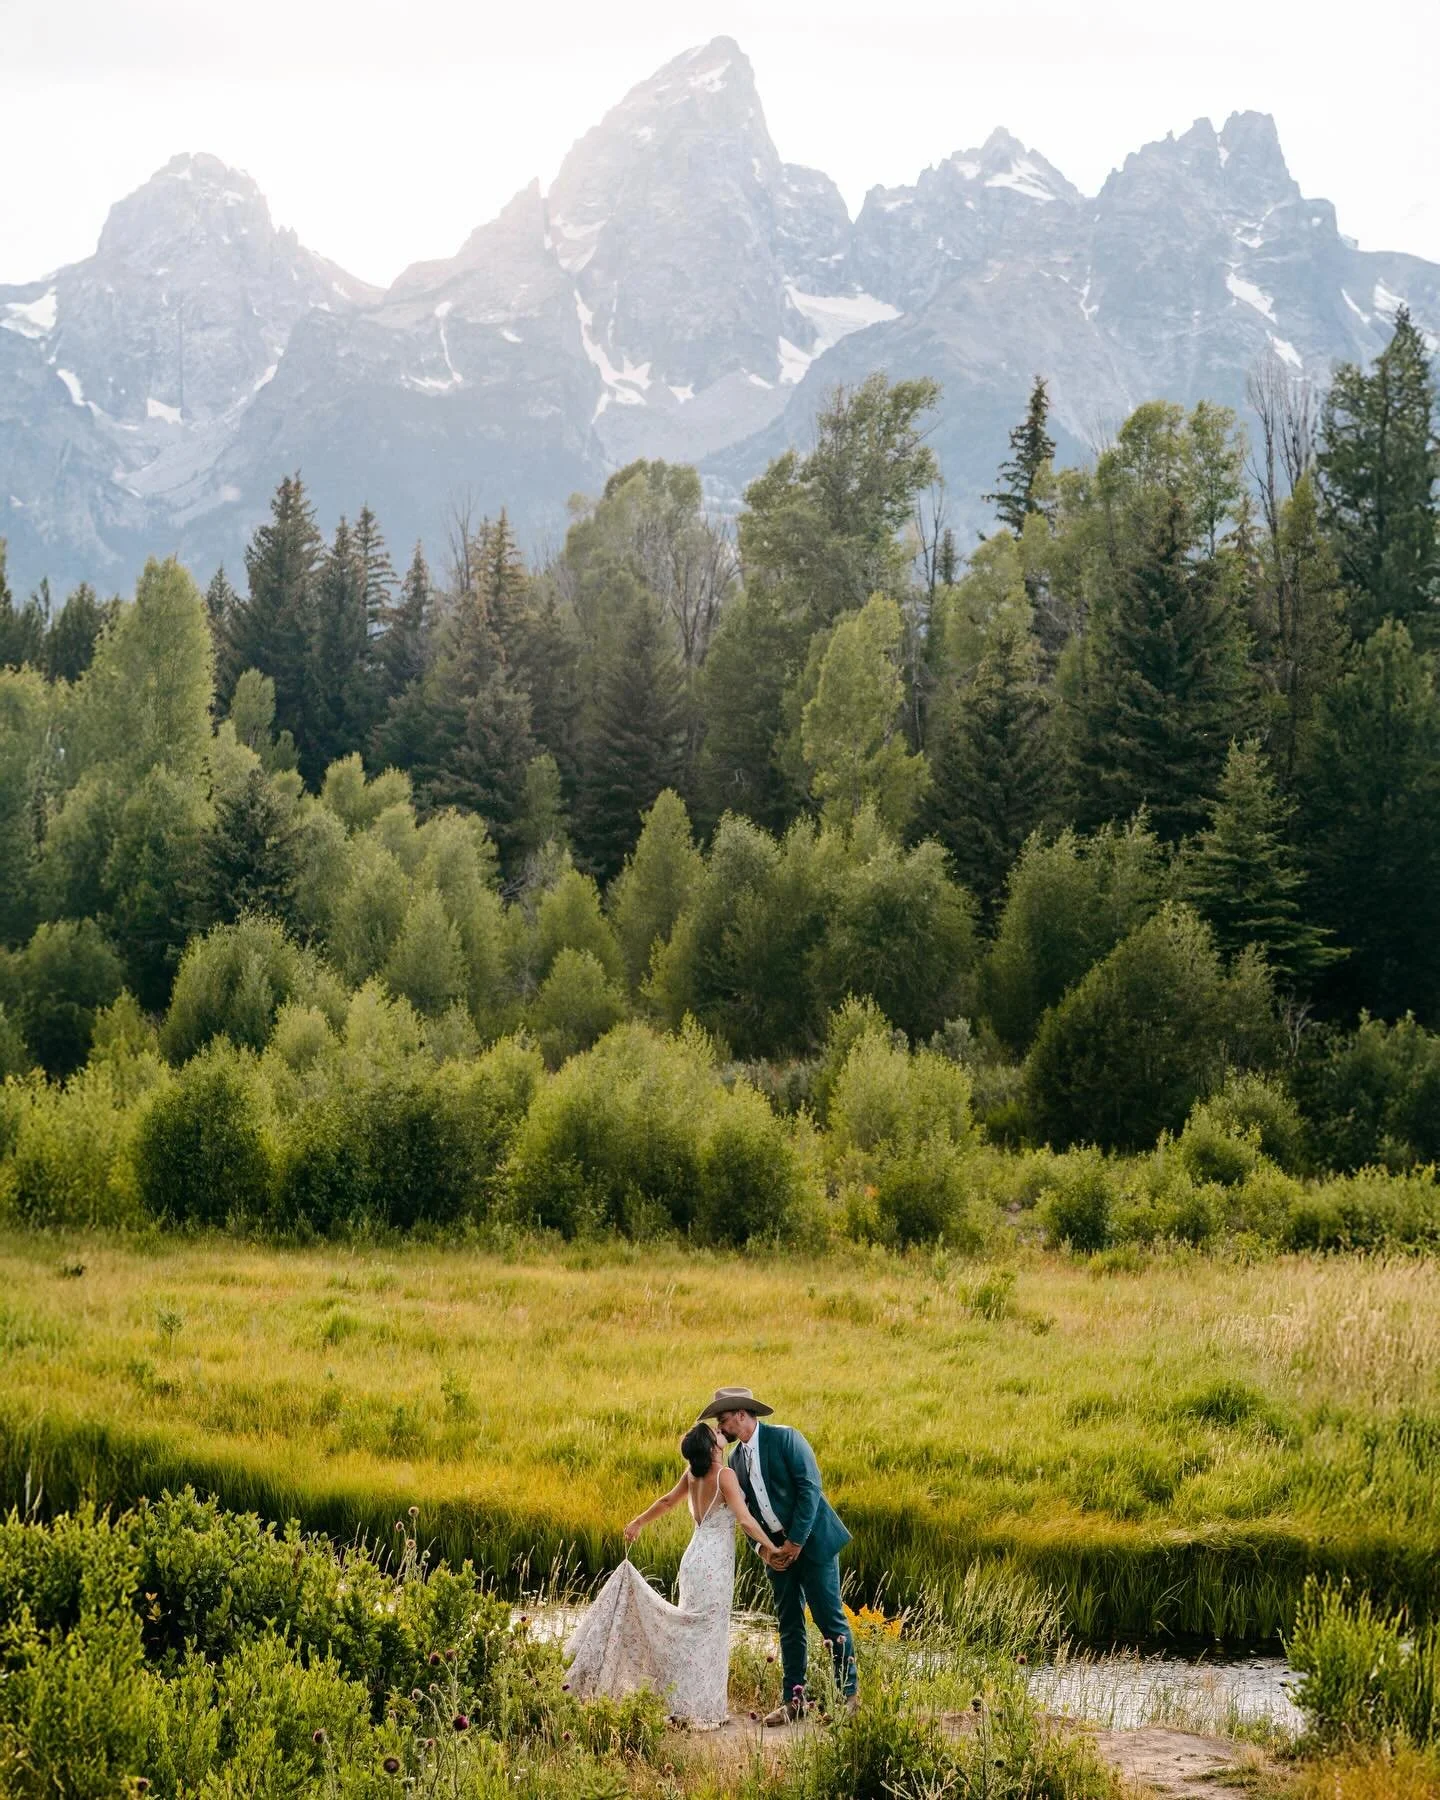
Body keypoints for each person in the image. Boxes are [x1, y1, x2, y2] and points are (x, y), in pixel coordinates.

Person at [564, 1420, 772, 1726]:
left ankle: (689, 1704)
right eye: (716, 1433)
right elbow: (745, 1520)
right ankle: (704, 1709)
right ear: (714, 1447)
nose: (720, 1432)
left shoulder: (692, 1475)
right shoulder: (725, 1475)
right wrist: (771, 1547)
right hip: (714, 1563)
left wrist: (638, 1521)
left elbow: (666, 1502)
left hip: (693, 1560)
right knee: (708, 1633)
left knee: (694, 1633)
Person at [698, 1385, 857, 1726]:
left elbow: (809, 1489)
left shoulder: (785, 1439)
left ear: (742, 1415)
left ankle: (848, 1699)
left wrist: (796, 1543)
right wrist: (764, 1552)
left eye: (723, 1420)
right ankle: (794, 1700)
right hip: (777, 1556)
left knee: (831, 1622)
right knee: (789, 1625)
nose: (720, 1428)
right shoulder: (736, 1460)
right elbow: (745, 1513)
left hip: (812, 1545)